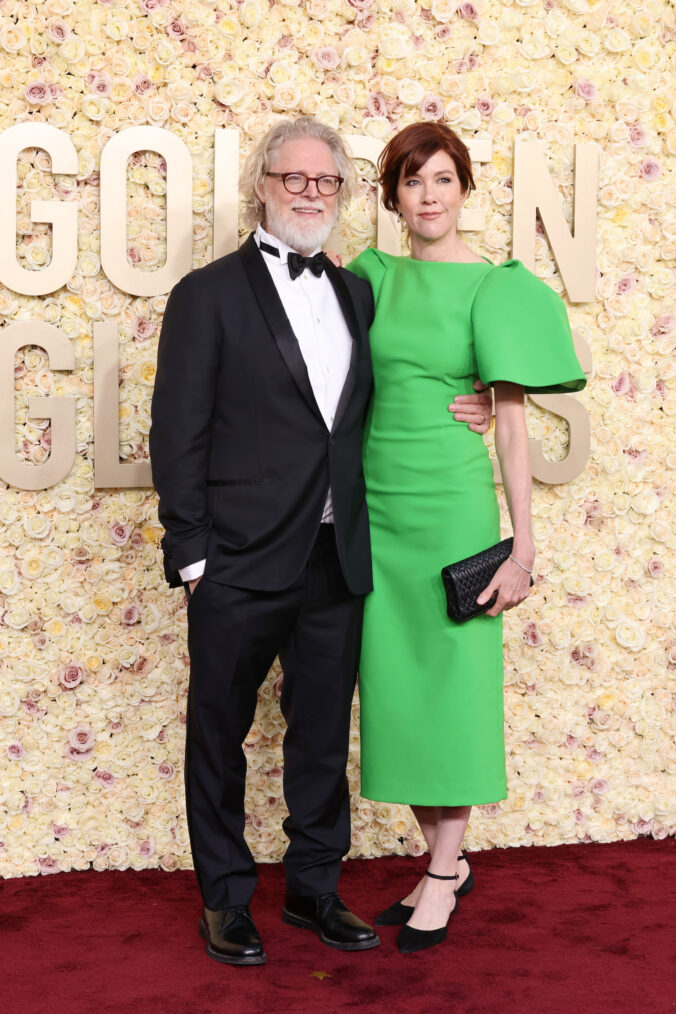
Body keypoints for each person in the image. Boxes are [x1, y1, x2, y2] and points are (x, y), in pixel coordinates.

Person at [149, 116, 493, 966]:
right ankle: (226, 900)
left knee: (317, 740)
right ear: (261, 186)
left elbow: (397, 390)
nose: (310, 193)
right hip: (235, 561)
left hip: (337, 558)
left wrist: (484, 400)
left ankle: (312, 889)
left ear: (341, 193)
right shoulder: (207, 294)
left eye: (326, 181)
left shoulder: (356, 292)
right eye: (293, 178)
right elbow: (176, 431)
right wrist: (193, 556)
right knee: (218, 734)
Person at [347, 122, 586, 954]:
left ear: (465, 188)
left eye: (444, 179)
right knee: (397, 692)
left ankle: (446, 870)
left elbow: (512, 431)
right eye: (413, 182)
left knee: (452, 686)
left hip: (452, 506)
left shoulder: (493, 287)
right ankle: (438, 856)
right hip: (375, 510)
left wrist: (523, 547)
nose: (430, 196)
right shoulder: (368, 275)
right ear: (393, 196)